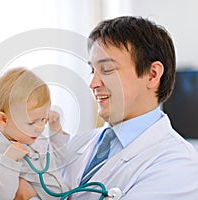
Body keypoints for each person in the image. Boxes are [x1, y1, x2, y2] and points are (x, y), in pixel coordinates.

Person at [14, 16, 198, 200]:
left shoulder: (179, 164)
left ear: (152, 74)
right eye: (92, 71)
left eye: (107, 69)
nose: (93, 83)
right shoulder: (77, 144)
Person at [0, 68, 69, 200]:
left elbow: (58, 159)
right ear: (3, 119)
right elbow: (2, 195)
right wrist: (10, 160)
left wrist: (56, 131)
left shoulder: (35, 139)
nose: (40, 128)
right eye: (31, 123)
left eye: (43, 119)